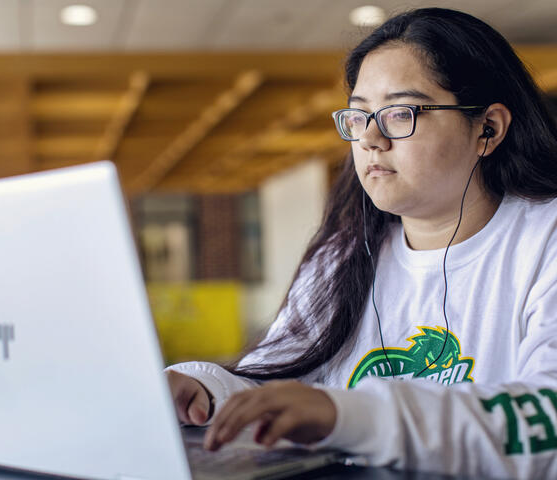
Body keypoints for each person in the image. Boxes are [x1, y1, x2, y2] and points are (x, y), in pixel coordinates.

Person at [166, 7, 557, 478]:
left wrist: (348, 414)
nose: (370, 138)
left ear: (487, 128)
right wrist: (207, 390)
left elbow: (544, 420)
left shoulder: (544, 241)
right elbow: (285, 381)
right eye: (359, 115)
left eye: (400, 113)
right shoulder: (343, 256)